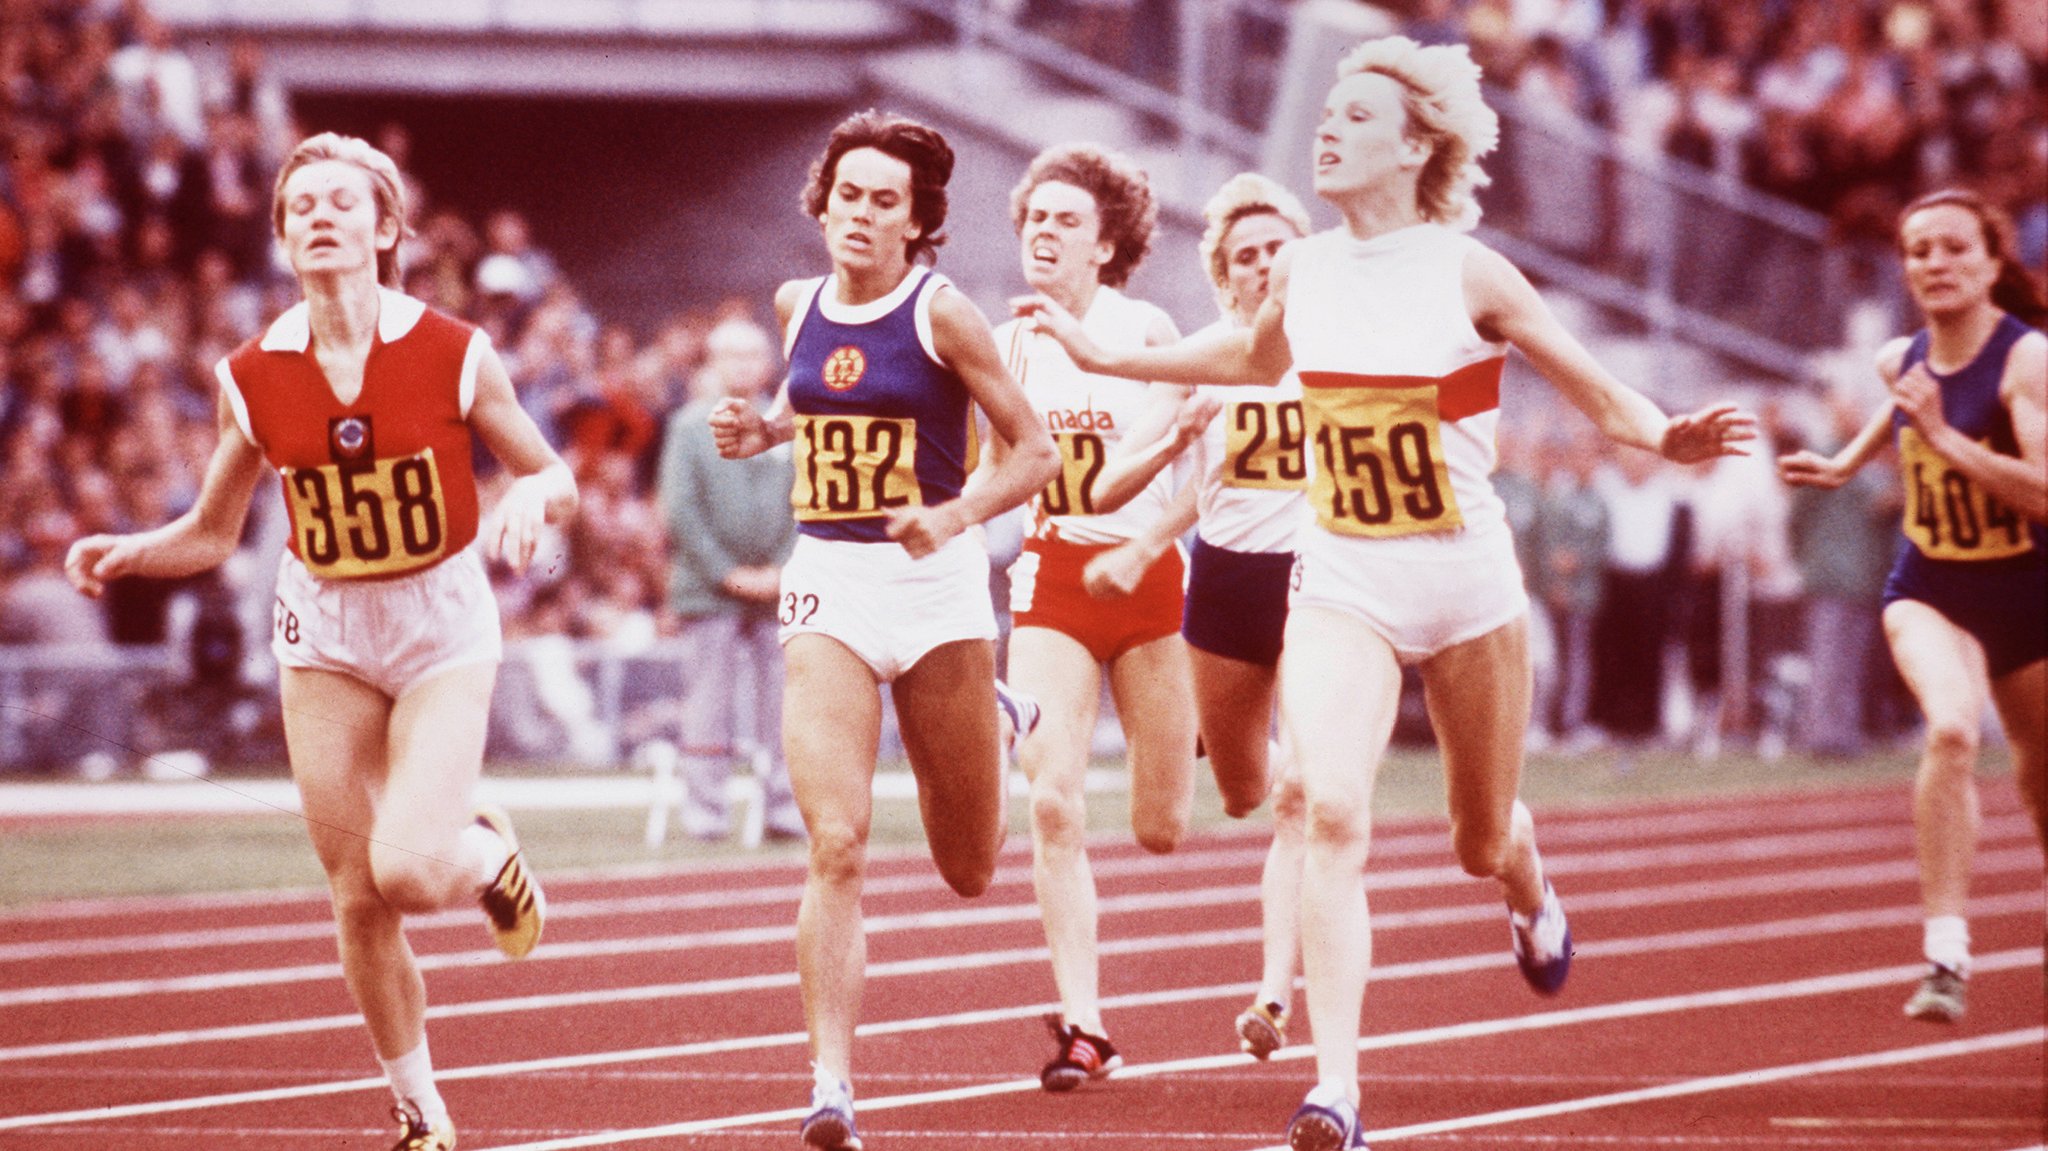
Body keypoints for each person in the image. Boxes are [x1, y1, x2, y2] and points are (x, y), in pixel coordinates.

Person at [1017, 37, 1753, 1150]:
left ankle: (1527, 890)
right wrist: (1104, 359)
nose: (1325, 129)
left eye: (1353, 118)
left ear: (1415, 147)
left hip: (1463, 586)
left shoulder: (1468, 272)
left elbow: (1595, 392)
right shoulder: (1305, 268)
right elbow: (1242, 361)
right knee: (1330, 811)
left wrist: (1665, 432)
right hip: (1344, 577)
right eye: (1325, 114)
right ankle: (1337, 1089)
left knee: (1474, 836)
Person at [64, 132, 578, 1151]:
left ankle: (485, 853)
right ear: (283, 238)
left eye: (342, 202)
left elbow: (546, 468)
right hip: (326, 631)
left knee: (413, 875)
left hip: (438, 621)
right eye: (301, 206)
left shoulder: (452, 348)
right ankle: (419, 1109)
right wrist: (132, 549)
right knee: (355, 894)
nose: (320, 217)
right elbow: (214, 530)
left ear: (385, 230)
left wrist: (533, 503)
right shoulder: (252, 375)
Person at [708, 110, 1059, 1151]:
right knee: (836, 839)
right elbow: (815, 393)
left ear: (916, 224)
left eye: (882, 202)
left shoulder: (944, 315)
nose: (859, 215)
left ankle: (995, 718)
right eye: (845, 195)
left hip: (937, 588)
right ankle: (829, 1087)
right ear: (820, 203)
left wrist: (950, 516)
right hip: (828, 581)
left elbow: (1033, 452)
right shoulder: (794, 302)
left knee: (968, 864)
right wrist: (764, 428)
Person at [1028, 171, 1318, 1058]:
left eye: (1278, 250)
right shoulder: (1204, 356)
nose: (1265, 266)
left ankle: (1273, 995)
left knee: (1293, 796)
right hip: (1215, 584)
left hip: (1318, 580)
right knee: (1220, 793)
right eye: (1246, 256)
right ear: (1225, 276)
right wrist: (1177, 440)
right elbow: (1115, 480)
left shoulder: (1344, 351)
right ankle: (1086, 1022)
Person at [1779, 187, 2046, 1025]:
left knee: (2040, 783)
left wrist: (1947, 442)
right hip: (1933, 585)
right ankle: (1946, 953)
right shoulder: (1898, 358)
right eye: (1919, 249)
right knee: (1954, 728)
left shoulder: (2027, 361)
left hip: (2028, 589)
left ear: (1994, 262)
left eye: (1955, 248)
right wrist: (1841, 461)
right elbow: (1902, 410)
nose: (1935, 263)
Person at [987, 142, 1201, 1093]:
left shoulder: (1142, 329)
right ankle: (1086, 1025)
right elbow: (978, 466)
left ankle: (1204, 736)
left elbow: (1162, 460)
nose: (1044, 232)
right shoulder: (1001, 341)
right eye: (1035, 217)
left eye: (1066, 220)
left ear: (1106, 242)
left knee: (1161, 826)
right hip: (1053, 576)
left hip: (1149, 574)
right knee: (1052, 803)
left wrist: (1149, 518)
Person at [656, 315, 805, 842]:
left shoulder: (787, 422)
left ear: (768, 364)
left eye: (751, 354)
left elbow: (806, 499)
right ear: (713, 363)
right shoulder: (689, 426)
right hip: (707, 590)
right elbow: (681, 510)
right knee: (707, 705)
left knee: (788, 705)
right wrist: (728, 574)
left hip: (780, 589)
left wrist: (783, 571)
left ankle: (785, 809)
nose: (743, 365)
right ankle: (706, 813)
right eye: (731, 355)